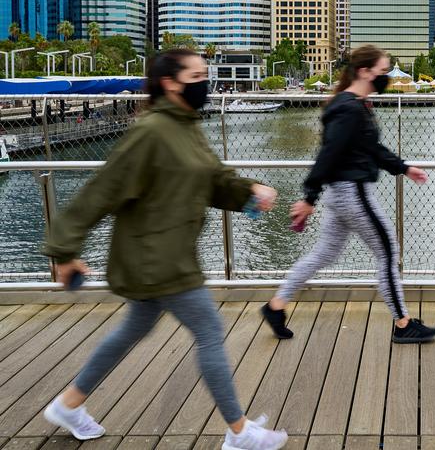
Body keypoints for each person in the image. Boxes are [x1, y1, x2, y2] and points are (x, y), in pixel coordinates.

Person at [42, 49, 288, 450]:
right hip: (157, 258)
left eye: (205, 74)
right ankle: (240, 432)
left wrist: (249, 192)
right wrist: (64, 250)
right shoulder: (151, 132)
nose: (204, 81)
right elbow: (100, 191)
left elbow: (210, 180)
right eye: (196, 75)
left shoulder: (185, 125)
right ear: (171, 83)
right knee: (209, 330)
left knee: (132, 329)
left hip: (166, 252)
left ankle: (69, 405)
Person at [261, 45, 435, 344]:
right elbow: (328, 155)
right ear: (365, 72)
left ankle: (276, 306)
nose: (387, 77)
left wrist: (404, 168)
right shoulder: (349, 108)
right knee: (388, 252)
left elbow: (371, 149)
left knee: (324, 254)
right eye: (383, 72)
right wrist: (308, 197)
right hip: (353, 194)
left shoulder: (354, 105)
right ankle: (403, 324)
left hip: (342, 195)